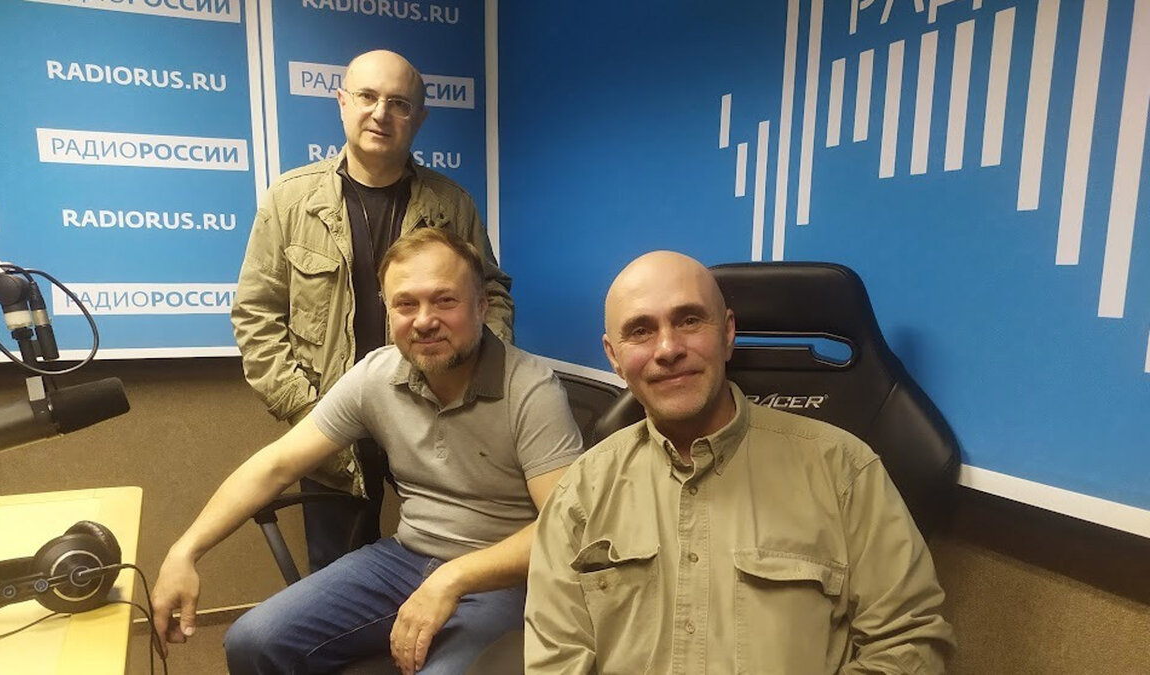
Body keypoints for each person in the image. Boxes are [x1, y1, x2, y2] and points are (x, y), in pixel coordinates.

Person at [154, 228, 578, 675]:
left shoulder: (531, 389)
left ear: (481, 306)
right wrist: (185, 550)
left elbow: (563, 530)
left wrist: (455, 577)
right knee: (253, 641)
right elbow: (277, 464)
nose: (424, 320)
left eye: (444, 301)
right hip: (406, 558)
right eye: (406, 304)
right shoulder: (377, 375)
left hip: (504, 580)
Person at [525, 251, 955, 673]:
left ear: (728, 332)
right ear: (614, 356)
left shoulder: (843, 470)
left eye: (689, 320)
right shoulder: (580, 494)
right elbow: (555, 659)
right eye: (640, 330)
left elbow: (909, 640)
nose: (668, 348)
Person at [231, 49, 514, 572]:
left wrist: (474, 384)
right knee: (338, 574)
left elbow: (490, 294)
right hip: (331, 421)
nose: (381, 113)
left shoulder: (452, 205)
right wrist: (306, 411)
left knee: (452, 560)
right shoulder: (289, 202)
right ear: (342, 103)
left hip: (434, 417)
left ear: (419, 118)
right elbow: (255, 314)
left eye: (399, 103)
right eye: (367, 97)